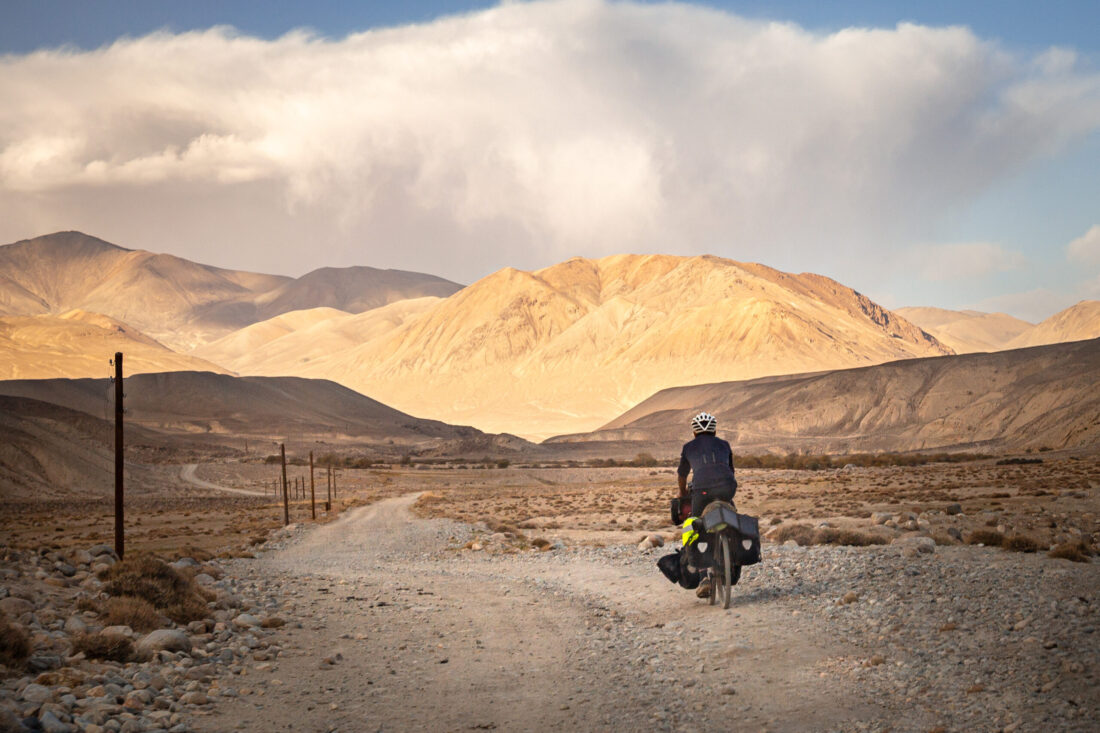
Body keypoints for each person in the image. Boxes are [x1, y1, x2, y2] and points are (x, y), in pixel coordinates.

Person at [677, 411, 738, 598]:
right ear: (714, 431)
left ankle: (703, 576)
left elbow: (682, 475)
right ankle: (732, 554)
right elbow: (731, 471)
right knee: (731, 515)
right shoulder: (724, 445)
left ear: (694, 432)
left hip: (701, 491)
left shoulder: (688, 447)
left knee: (694, 524)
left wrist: (682, 493)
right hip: (727, 488)